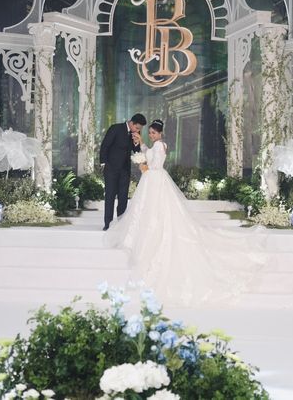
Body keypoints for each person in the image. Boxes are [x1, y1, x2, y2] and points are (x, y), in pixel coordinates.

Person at [105, 119, 266, 307]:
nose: (152, 135)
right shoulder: (157, 145)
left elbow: (155, 165)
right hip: (153, 180)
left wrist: (143, 166)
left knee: (155, 211)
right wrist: (141, 145)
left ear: (160, 133)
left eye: (154, 133)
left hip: (154, 179)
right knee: (149, 210)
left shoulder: (160, 146)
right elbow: (149, 154)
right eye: (150, 133)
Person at [99, 113, 147, 231]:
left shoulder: (136, 133)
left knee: (123, 197)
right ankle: (107, 223)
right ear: (131, 123)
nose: (138, 130)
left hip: (125, 170)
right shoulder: (116, 128)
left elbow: (135, 150)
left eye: (140, 129)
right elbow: (105, 145)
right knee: (110, 196)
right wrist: (103, 164)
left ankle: (121, 223)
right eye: (137, 128)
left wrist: (136, 142)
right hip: (111, 168)